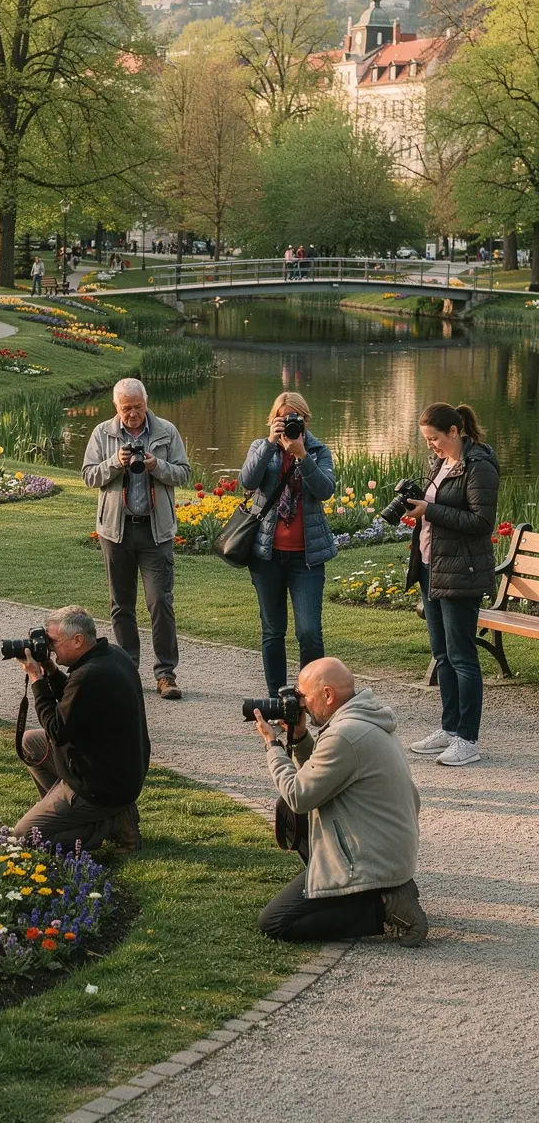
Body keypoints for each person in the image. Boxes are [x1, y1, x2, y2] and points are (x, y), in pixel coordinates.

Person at [255, 657, 427, 946]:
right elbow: (320, 777)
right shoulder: (361, 719)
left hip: (374, 859)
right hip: (386, 849)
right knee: (292, 813)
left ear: (328, 695)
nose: (301, 704)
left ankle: (384, 904)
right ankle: (380, 890)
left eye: (303, 696)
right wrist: (298, 737)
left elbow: (298, 795)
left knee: (275, 922)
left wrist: (273, 746)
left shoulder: (344, 735)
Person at [82, 379, 191, 699]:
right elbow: (89, 476)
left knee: (160, 602)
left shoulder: (166, 431)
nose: (132, 413)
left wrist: (157, 465)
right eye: (126, 408)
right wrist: (116, 461)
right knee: (122, 605)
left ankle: (166, 673)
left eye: (137, 407)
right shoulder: (103, 433)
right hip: (117, 530)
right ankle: (128, 669)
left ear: (147, 402)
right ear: (116, 407)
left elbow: (183, 474)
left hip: (156, 531)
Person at [405, 402, 500, 767]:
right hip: (432, 566)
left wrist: (429, 510)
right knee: (442, 654)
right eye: (427, 440)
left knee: (462, 656)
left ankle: (468, 739)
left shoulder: (480, 466)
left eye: (434, 439)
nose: (431, 446)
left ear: (454, 432)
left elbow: (480, 523)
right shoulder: (440, 463)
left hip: (463, 572)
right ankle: (449, 727)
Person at [14, 605, 151, 850]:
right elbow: (75, 704)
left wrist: (36, 678)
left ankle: (110, 823)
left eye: (53, 641)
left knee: (25, 837)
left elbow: (57, 730)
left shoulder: (89, 675)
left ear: (78, 640)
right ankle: (70, 813)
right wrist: (52, 671)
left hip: (100, 786)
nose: (50, 647)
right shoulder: (112, 655)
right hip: (119, 772)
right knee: (30, 743)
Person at [239, 393, 336, 697]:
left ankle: (311, 697)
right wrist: (270, 444)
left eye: (296, 418)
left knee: (309, 633)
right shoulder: (261, 446)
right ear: (274, 419)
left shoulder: (318, 451)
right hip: (266, 555)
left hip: (306, 558)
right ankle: (278, 697)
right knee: (273, 630)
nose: (291, 423)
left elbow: (325, 490)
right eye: (284, 418)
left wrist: (302, 455)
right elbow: (248, 481)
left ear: (305, 420)